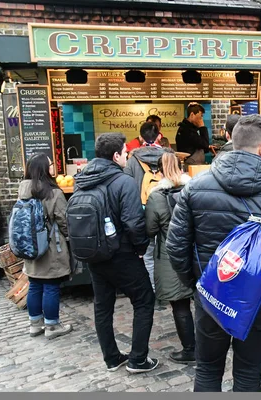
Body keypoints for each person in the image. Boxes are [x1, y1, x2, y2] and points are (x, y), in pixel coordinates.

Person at [166, 114, 261, 392]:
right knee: (249, 369)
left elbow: (176, 245)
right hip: (258, 297)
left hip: (211, 292)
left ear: (232, 140)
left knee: (207, 368)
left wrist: (198, 281)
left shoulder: (195, 186)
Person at [74, 133, 157, 374]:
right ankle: (138, 359)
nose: (128, 155)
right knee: (144, 300)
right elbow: (133, 222)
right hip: (122, 254)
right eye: (125, 151)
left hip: (94, 254)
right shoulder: (124, 182)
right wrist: (141, 248)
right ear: (115, 155)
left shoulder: (82, 180)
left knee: (102, 306)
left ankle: (111, 358)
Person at [145, 152, 195, 364]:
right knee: (204, 302)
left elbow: (150, 229)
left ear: (159, 171)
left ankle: (191, 349)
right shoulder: (195, 189)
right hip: (197, 252)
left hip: (170, 256)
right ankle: (213, 344)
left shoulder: (156, 196)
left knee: (180, 305)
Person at [20, 153, 73, 340]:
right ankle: (52, 326)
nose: (53, 167)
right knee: (51, 286)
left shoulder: (23, 189)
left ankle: (35, 325)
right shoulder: (53, 193)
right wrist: (70, 238)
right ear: (44, 168)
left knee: (34, 284)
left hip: (30, 246)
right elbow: (64, 220)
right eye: (51, 164)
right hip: (50, 246)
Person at [124, 122, 168, 290]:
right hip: (167, 210)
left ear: (140, 137)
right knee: (167, 251)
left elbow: (127, 184)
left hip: (143, 211)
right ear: (159, 136)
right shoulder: (169, 156)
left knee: (148, 255)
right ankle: (168, 287)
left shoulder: (133, 158)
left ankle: (154, 290)